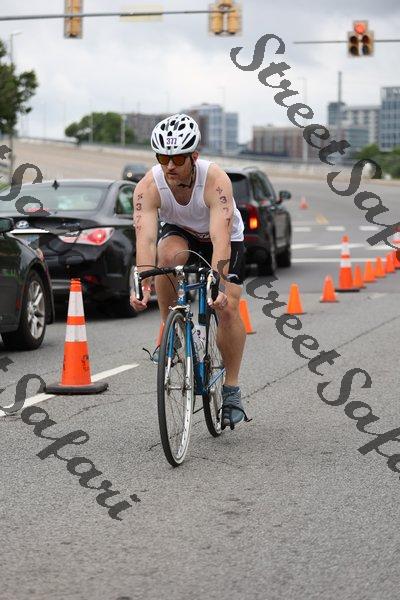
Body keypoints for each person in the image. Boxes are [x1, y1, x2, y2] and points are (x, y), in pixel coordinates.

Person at [130, 113, 250, 430]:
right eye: (163, 158)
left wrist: (217, 284)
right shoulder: (148, 186)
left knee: (227, 307)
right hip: (181, 231)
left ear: (194, 156)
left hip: (222, 238)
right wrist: (143, 282)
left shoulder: (215, 181)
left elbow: (221, 239)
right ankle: (170, 330)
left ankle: (232, 389)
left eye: (178, 158)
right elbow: (145, 239)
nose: (169, 166)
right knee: (166, 255)